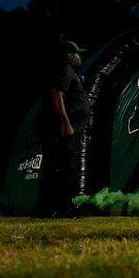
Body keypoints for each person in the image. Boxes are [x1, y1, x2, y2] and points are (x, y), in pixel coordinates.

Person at [38, 40, 90, 216]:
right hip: (65, 130)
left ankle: (58, 209)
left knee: (65, 168)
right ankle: (64, 209)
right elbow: (56, 96)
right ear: (69, 56)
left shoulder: (69, 72)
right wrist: (66, 124)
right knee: (66, 169)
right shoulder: (65, 71)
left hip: (70, 128)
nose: (80, 57)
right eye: (77, 54)